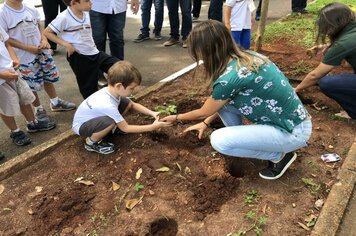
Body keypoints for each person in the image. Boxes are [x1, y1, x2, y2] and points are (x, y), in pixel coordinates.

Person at [161, 20, 312, 180]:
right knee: (222, 104)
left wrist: (176, 117)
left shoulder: (229, 79)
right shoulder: (249, 56)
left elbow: (202, 112)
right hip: (292, 121)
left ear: (207, 50)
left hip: (292, 132)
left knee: (219, 141)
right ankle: (244, 138)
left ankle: (278, 156)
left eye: (197, 52)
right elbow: (217, 105)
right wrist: (205, 122)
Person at [72, 61, 171, 154]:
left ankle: (112, 128)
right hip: (82, 127)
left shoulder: (112, 92)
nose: (133, 91)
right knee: (109, 122)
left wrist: (152, 113)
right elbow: (126, 128)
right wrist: (152, 127)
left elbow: (133, 104)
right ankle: (91, 143)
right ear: (119, 86)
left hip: (93, 120)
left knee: (126, 102)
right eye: (131, 88)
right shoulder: (107, 104)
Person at [0, 0, 76, 122]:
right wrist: (27, 48)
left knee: (47, 78)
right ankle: (38, 109)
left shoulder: (29, 7)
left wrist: (44, 39)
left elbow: (39, 25)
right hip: (23, 56)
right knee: (31, 84)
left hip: (41, 51)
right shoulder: (2, 13)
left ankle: (55, 102)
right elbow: (6, 40)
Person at [44, 0, 120, 99]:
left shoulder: (86, 13)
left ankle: (116, 96)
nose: (91, 2)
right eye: (86, 1)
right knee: (89, 91)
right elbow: (47, 32)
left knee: (121, 68)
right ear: (74, 3)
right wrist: (66, 44)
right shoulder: (63, 17)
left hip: (95, 53)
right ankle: (93, 110)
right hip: (80, 57)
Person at [295, 3, 356, 119]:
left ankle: (353, 111)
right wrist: (328, 46)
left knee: (327, 83)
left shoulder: (342, 44)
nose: (325, 31)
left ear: (334, 25)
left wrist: (296, 89)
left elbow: (315, 75)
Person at [0, 25, 55, 147]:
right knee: (6, 106)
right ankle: (15, 131)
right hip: (1, 78)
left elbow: (7, 43)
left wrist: (15, 59)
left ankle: (33, 122)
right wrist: (2, 75)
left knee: (24, 98)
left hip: (12, 70)